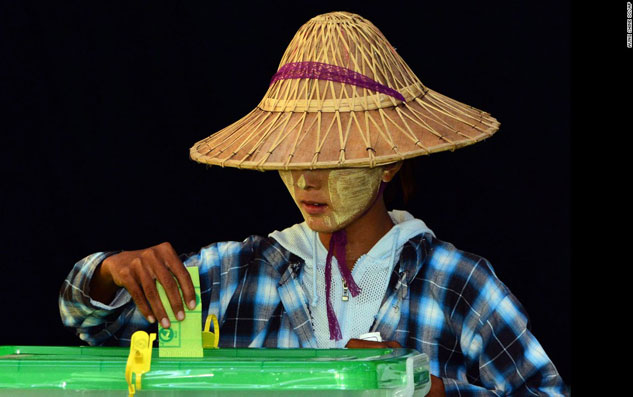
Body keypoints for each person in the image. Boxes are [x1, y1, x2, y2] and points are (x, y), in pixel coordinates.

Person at [59, 11, 569, 396]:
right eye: (294, 155)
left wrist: (422, 386)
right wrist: (112, 271)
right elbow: (92, 325)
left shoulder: (459, 286)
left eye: (333, 156)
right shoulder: (235, 273)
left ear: (387, 162)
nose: (307, 178)